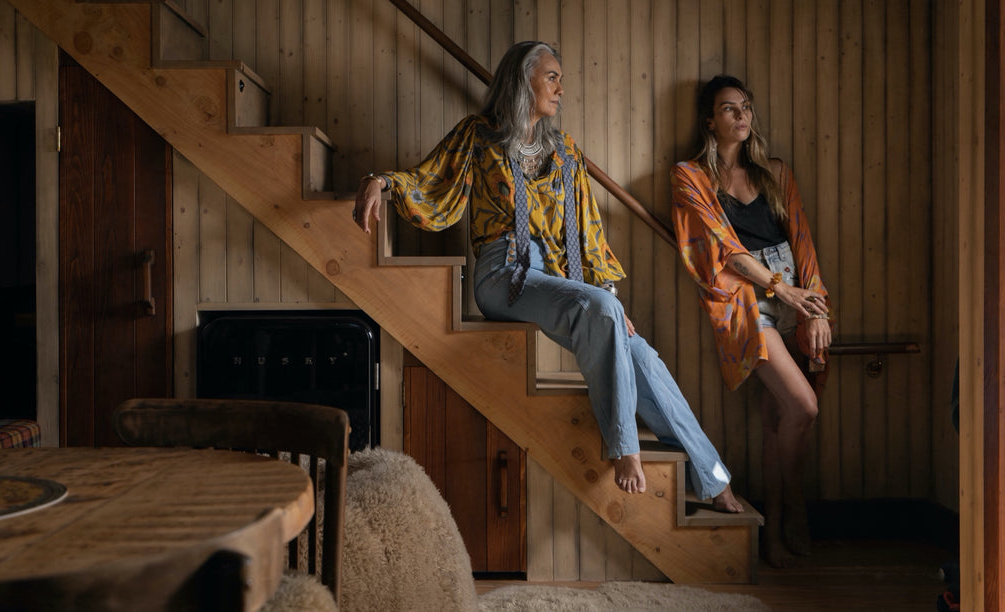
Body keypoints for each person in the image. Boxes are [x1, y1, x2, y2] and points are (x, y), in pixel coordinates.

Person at [353, 41, 742, 512]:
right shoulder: (479, 135)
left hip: (558, 278)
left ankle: (714, 476)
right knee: (601, 310)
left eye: (561, 78)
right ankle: (624, 448)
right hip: (502, 274)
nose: (561, 88)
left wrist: (610, 299)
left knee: (638, 349)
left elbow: (589, 231)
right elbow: (430, 179)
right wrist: (384, 180)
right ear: (523, 80)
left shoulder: (565, 151)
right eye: (552, 76)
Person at [670, 75, 833, 566]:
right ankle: (790, 510)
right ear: (709, 121)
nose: (742, 117)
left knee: (777, 416)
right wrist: (779, 288)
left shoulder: (775, 172)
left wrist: (818, 305)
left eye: (746, 108)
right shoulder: (690, 175)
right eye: (729, 109)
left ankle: (774, 526)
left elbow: (802, 241)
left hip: (795, 295)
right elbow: (725, 249)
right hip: (746, 301)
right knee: (803, 408)